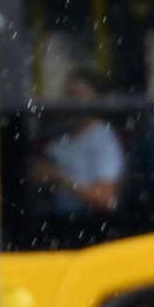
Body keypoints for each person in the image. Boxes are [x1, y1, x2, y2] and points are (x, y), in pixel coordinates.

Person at [31, 72, 124, 214]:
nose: (71, 104)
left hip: (82, 223)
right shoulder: (59, 136)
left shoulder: (103, 140)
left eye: (77, 96)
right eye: (67, 96)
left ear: (95, 100)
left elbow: (105, 199)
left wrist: (58, 178)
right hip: (47, 217)